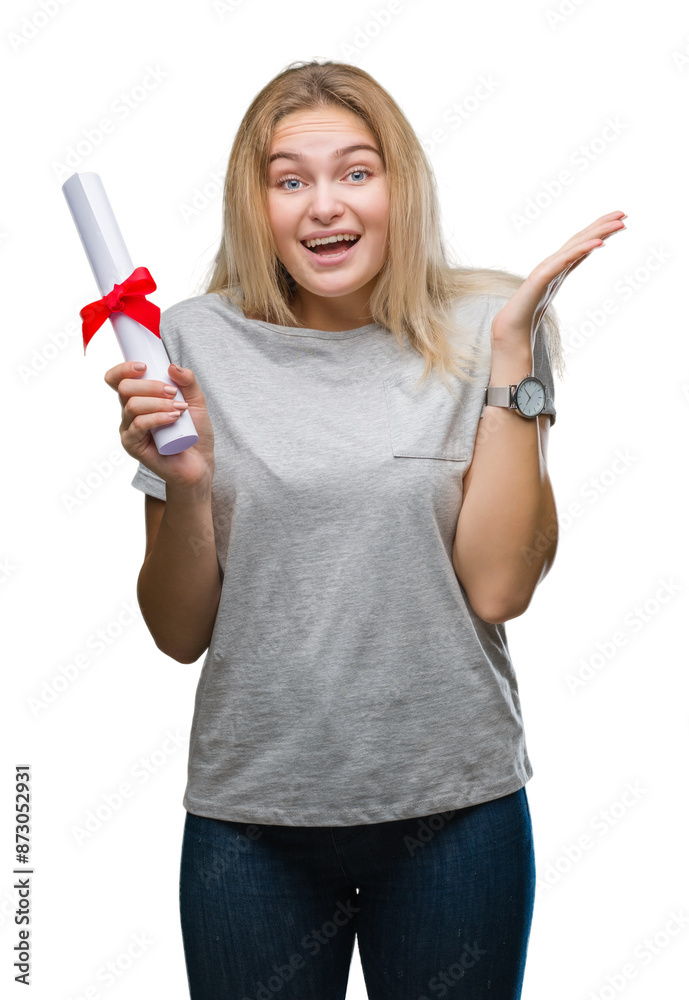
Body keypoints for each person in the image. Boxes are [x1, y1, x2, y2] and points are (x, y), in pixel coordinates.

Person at [104, 58, 625, 1000]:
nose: (323, 205)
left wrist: (512, 359)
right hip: (250, 824)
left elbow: (499, 587)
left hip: (455, 816)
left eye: (355, 171)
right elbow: (178, 632)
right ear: (255, 204)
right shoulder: (187, 341)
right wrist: (189, 484)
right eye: (288, 180)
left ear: (399, 186)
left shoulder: (491, 324)